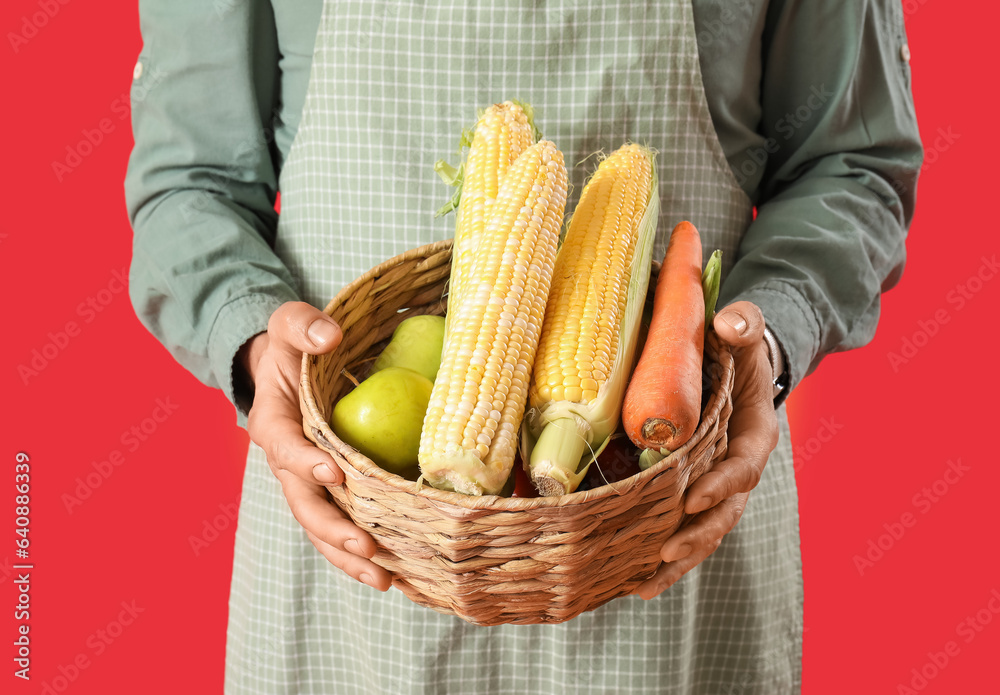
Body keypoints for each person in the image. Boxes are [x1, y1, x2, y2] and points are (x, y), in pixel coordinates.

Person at [125, 1, 922, 692]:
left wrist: (772, 334)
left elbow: (851, 165)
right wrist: (260, 343)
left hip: (669, 530)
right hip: (353, 562)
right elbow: (189, 179)